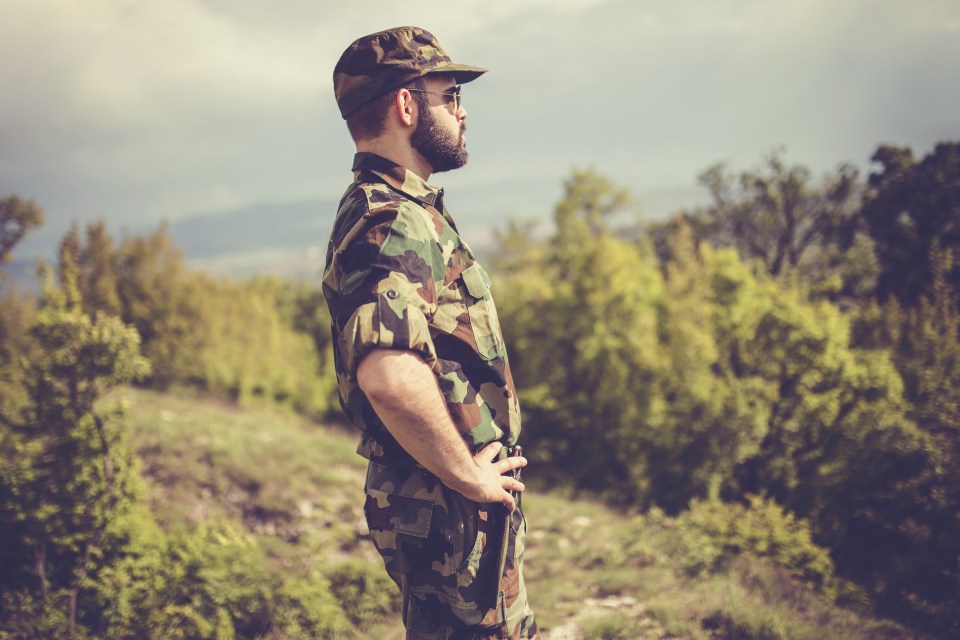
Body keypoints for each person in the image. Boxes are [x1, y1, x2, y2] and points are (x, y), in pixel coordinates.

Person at [322, 26, 540, 640]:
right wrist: (467, 476)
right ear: (406, 105)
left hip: (450, 512)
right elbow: (389, 376)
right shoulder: (391, 219)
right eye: (450, 97)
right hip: (449, 513)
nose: (462, 113)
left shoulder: (396, 209)